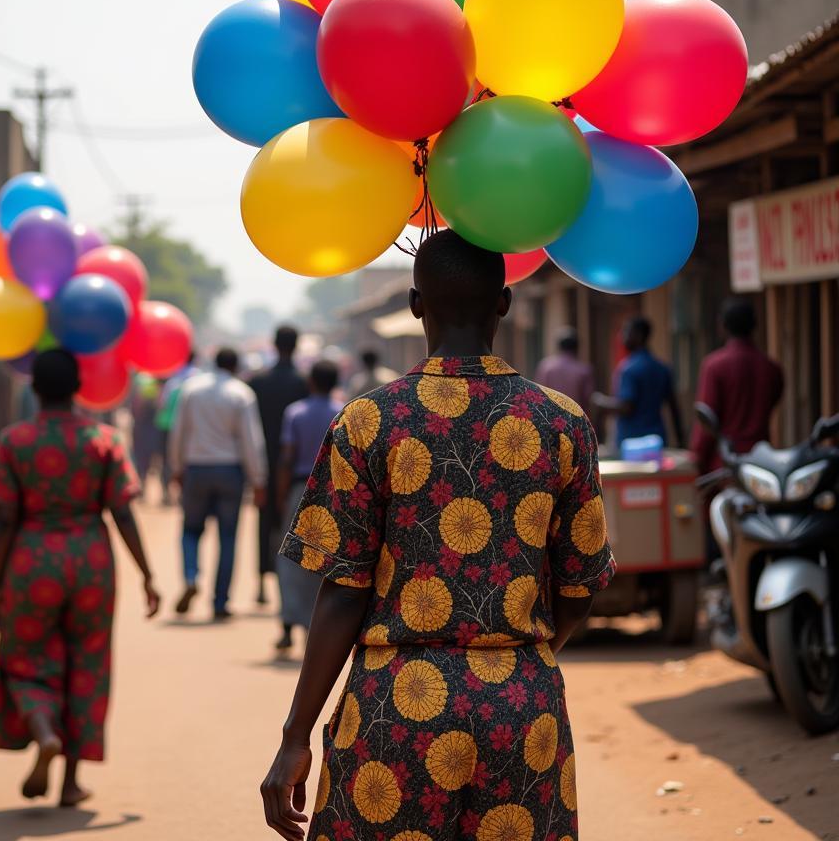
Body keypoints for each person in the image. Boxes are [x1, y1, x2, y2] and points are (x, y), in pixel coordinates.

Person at [261, 230, 614, 841]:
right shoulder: (563, 421)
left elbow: (343, 592)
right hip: (523, 713)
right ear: (504, 304)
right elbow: (583, 580)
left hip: (395, 708)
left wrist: (296, 738)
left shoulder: (370, 421)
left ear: (415, 304)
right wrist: (516, 653)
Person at [0, 349, 160, 806]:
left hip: (32, 560)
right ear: (78, 387)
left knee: (24, 657)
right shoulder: (103, 439)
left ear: (35, 388)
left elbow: (3, 518)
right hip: (91, 563)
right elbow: (122, 510)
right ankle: (71, 783)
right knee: (88, 666)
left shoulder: (14, 440)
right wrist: (147, 574)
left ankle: (43, 730)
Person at [169, 347, 267, 620]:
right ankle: (220, 601)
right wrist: (258, 478)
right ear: (235, 366)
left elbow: (179, 431)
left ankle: (190, 576)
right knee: (227, 537)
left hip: (197, 468)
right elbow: (251, 440)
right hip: (230, 471)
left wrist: (176, 467)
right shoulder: (241, 393)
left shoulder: (191, 390)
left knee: (190, 530)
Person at [274, 359, 342, 655]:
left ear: (311, 381)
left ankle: (290, 623)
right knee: (325, 560)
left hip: (300, 489)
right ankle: (317, 628)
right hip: (334, 490)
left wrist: (280, 494)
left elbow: (287, 457)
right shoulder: (343, 410)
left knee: (290, 559)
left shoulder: (295, 412)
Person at [690, 297, 784, 473]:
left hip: (726, 465)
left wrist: (698, 458)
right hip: (762, 462)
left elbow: (706, 424)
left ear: (722, 325)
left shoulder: (714, 366)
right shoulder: (771, 368)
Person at [251, 326, 309, 605]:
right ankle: (291, 596)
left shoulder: (257, 381)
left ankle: (262, 583)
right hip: (295, 468)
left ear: (274, 345)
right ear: (296, 346)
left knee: (264, 523)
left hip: (265, 461)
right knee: (294, 527)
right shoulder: (303, 382)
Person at [593, 316, 684, 449]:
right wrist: (681, 441)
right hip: (656, 441)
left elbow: (626, 407)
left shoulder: (628, 369)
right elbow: (674, 407)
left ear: (639, 336)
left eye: (626, 332)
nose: (622, 336)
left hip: (631, 443)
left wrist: (601, 402)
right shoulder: (662, 368)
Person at [154, 352, 199, 506]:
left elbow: (162, 404)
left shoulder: (173, 380)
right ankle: (183, 494)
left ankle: (167, 492)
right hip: (191, 428)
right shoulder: (198, 379)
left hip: (167, 425)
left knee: (167, 459)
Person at [535, 327, 595, 419]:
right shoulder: (584, 370)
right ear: (577, 347)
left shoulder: (546, 367)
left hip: (550, 418)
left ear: (559, 346)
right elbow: (588, 399)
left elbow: (539, 395)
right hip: (575, 419)